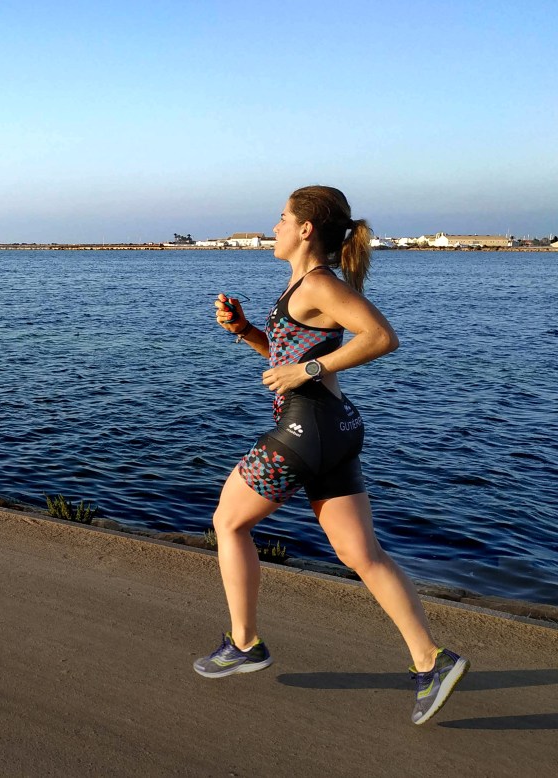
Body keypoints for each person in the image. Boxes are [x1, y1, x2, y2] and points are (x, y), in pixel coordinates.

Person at [194, 185, 468, 725]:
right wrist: (245, 330)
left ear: (305, 229)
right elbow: (289, 355)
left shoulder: (319, 282)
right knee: (362, 554)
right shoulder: (302, 286)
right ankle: (431, 661)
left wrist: (308, 370)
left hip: (306, 429)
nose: (273, 227)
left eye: (281, 218)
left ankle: (245, 644)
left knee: (228, 522)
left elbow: (381, 337)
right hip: (334, 430)